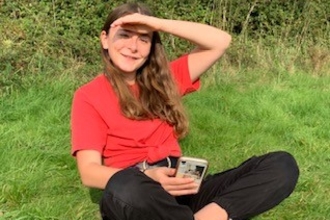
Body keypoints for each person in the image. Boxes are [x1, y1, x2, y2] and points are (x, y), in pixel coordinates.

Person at [70, 2, 299, 220]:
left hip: (183, 186)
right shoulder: (89, 95)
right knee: (123, 188)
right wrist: (147, 176)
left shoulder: (167, 80)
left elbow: (220, 41)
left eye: (144, 38)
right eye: (124, 35)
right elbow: (89, 171)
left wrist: (158, 24)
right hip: (140, 191)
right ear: (105, 40)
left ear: (151, 46)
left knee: (281, 165)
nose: (133, 46)